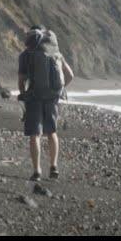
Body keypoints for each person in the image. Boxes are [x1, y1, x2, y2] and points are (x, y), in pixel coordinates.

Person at [18, 25, 73, 181]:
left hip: (34, 96)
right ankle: (53, 166)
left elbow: (21, 81)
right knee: (51, 132)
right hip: (52, 97)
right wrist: (59, 90)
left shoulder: (25, 54)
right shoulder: (55, 52)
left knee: (35, 134)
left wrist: (23, 95)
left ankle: (37, 171)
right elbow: (70, 75)